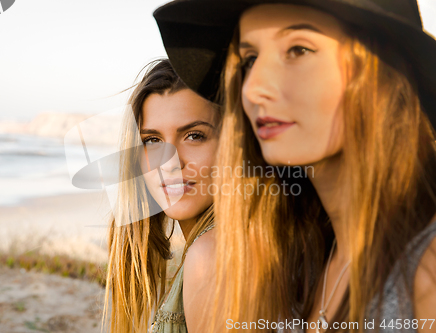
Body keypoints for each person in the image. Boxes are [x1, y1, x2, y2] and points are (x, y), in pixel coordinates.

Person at [154, 1, 436, 332]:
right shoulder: (309, 257)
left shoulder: (426, 268)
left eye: (298, 49)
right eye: (249, 60)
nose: (254, 86)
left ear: (379, 70)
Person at [102, 59, 220, 333]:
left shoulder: (211, 255)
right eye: (152, 141)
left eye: (194, 135)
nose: (170, 162)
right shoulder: (206, 250)